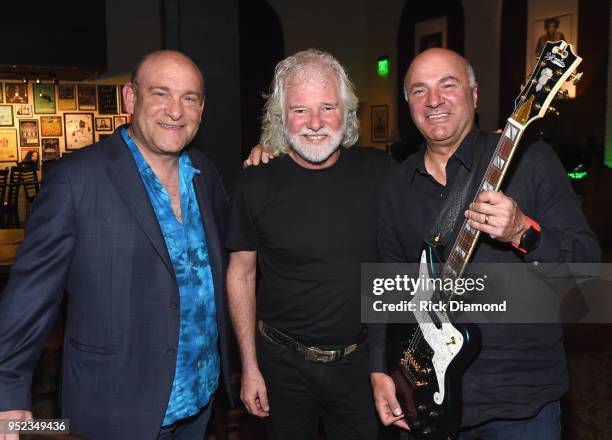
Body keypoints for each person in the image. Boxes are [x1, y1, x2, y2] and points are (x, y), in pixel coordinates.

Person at [0, 50, 232, 440]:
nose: (175, 111)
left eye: (189, 98)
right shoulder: (76, 180)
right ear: (130, 98)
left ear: (201, 108)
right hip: (116, 406)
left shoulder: (205, 174)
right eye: (161, 93)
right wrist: (7, 393)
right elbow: (29, 296)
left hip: (199, 400)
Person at [369, 48, 600, 438]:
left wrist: (523, 233)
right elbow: (390, 285)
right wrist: (380, 368)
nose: (435, 100)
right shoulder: (395, 186)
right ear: (408, 103)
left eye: (448, 85)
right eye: (420, 90)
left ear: (474, 95)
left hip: (520, 402)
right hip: (427, 395)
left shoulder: (531, 162)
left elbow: (588, 268)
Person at [226, 49, 392, 439]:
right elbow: (241, 276)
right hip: (281, 365)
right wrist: (249, 366)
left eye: (327, 107)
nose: (315, 123)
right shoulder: (255, 182)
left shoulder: (381, 172)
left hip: (361, 365)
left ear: (347, 112)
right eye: (300, 110)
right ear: (281, 119)